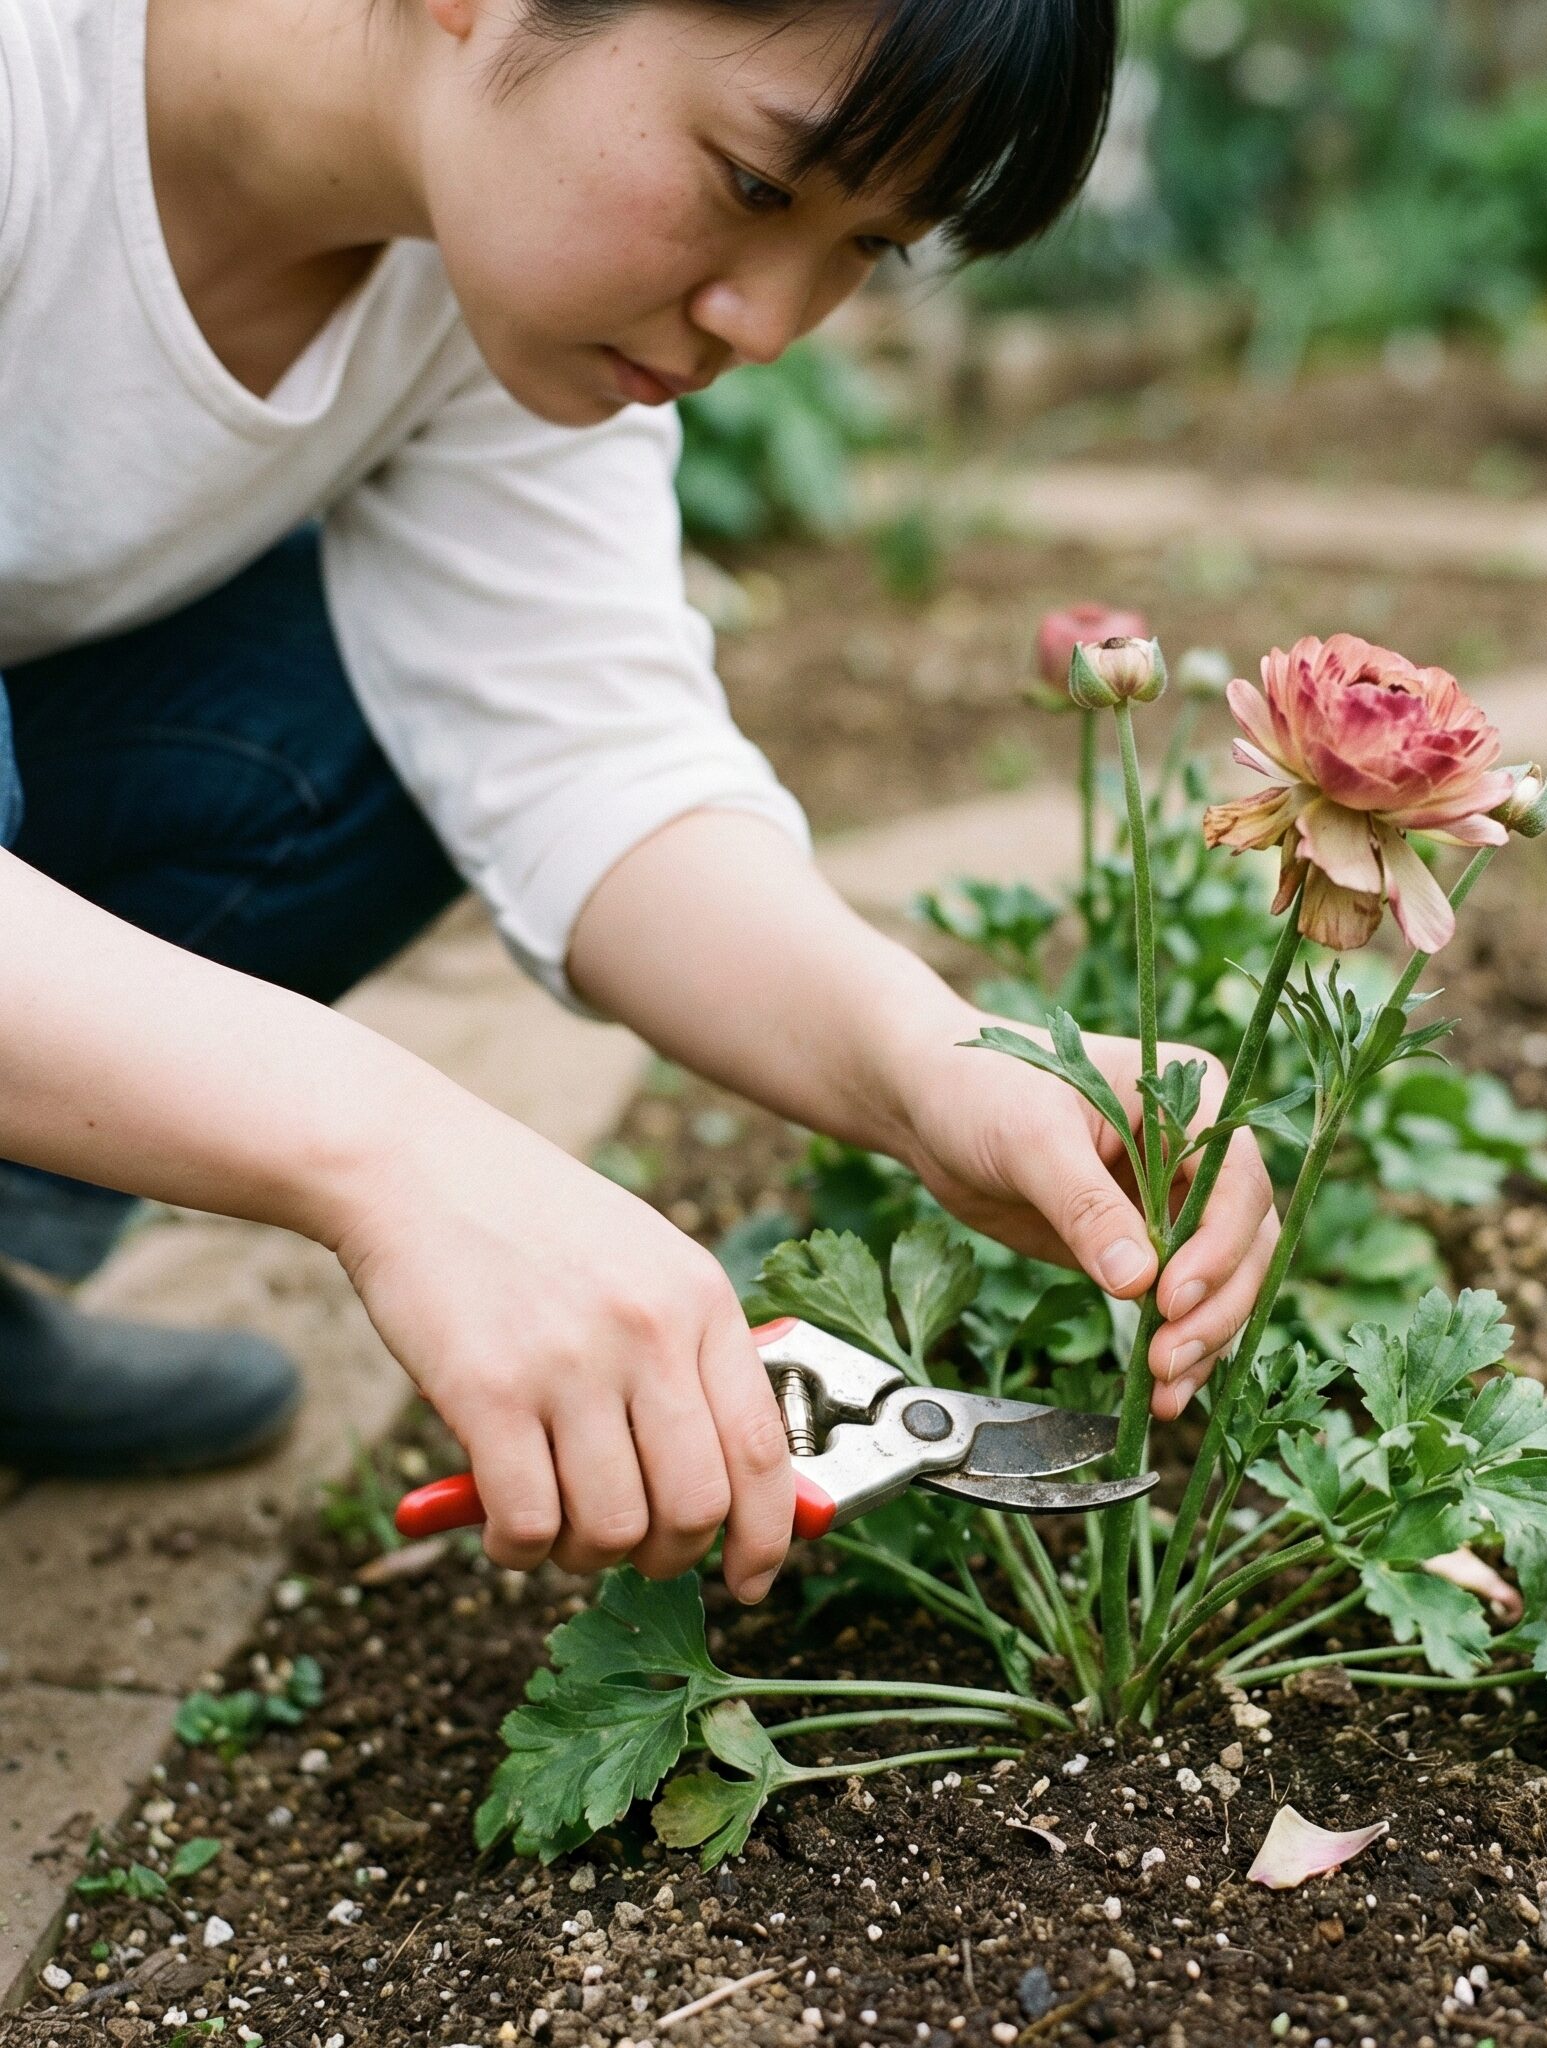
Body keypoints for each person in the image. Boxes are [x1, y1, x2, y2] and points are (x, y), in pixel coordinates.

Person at [0, 0, 1278, 1604]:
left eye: (866, 248)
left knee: (381, 729)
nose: (768, 324)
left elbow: (589, 761)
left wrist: (937, 1062)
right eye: (757, 186)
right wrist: (404, 1159)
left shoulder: (476, 254)